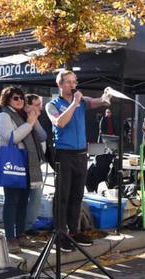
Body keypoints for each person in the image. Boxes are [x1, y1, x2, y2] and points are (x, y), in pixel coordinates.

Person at [45, 70, 111, 248]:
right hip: (63, 154)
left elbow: (98, 102)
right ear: (60, 84)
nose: (73, 86)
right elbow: (60, 122)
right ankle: (60, 234)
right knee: (63, 196)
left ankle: (74, 231)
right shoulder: (52, 104)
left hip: (81, 154)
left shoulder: (81, 101)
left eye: (75, 82)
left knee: (77, 195)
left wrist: (106, 97)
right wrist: (74, 104)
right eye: (69, 82)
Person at [0, 86, 39, 252]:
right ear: (6, 100)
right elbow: (12, 137)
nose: (20, 100)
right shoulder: (4, 115)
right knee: (12, 201)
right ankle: (10, 237)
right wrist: (29, 123)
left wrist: (33, 118)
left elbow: (41, 136)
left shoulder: (25, 115)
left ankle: (20, 233)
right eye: (15, 98)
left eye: (22, 97)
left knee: (23, 202)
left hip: (27, 162)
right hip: (14, 162)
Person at [21, 94, 48, 238]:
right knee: (22, 197)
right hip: (22, 161)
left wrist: (35, 119)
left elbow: (43, 136)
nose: (40, 108)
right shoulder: (20, 118)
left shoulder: (39, 117)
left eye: (40, 104)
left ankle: (28, 225)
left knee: (36, 196)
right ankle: (20, 225)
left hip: (36, 163)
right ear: (27, 106)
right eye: (36, 105)